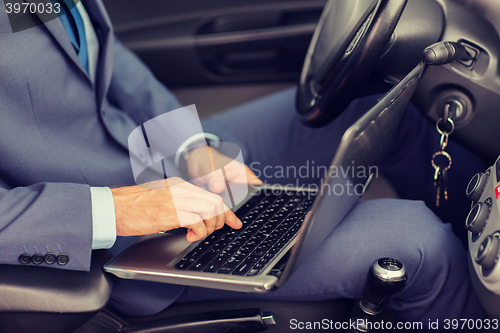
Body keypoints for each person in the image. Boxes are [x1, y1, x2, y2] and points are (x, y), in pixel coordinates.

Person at [0, 0, 487, 328]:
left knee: (388, 113)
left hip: (153, 154)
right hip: (100, 244)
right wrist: (116, 210)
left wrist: (192, 145)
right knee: (420, 243)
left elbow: (106, 63)